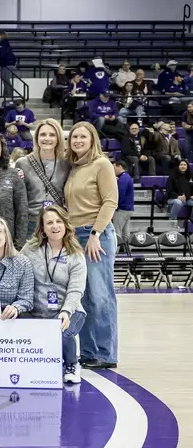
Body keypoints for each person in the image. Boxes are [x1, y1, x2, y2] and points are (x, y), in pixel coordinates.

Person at [64, 121, 118, 369]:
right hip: (74, 237)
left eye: (82, 137)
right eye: (74, 137)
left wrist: (96, 233)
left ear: (92, 139)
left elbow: (110, 202)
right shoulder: (74, 168)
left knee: (100, 296)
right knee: (82, 298)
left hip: (96, 234)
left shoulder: (102, 164)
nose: (78, 141)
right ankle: (88, 351)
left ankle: (106, 354)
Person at [20, 205, 88, 384]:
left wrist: (66, 311)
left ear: (66, 225)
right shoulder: (31, 248)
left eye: (59, 221)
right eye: (49, 222)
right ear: (42, 228)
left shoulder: (76, 254)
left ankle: (72, 365)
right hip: (37, 311)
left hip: (69, 311)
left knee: (62, 332)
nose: (55, 226)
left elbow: (76, 289)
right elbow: (17, 269)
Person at [15, 118, 70, 239]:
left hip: (57, 223)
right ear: (37, 138)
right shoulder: (22, 163)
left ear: (58, 138)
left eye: (52, 135)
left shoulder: (67, 164)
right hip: (31, 223)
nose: (47, 138)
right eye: (43, 134)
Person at [166, 159, 193, 227]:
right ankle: (172, 221)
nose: (183, 166)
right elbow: (169, 191)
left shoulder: (190, 176)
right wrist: (178, 196)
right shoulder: (172, 176)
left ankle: (191, 223)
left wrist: (191, 196)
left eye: (184, 165)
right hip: (173, 198)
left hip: (187, 199)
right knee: (178, 202)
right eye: (181, 165)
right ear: (178, 166)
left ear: (187, 166)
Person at [112, 159, 134, 241]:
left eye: (114, 168)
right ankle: (126, 250)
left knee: (117, 232)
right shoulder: (127, 177)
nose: (113, 170)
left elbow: (120, 193)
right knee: (125, 232)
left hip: (122, 209)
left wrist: (115, 206)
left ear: (119, 166)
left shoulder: (123, 179)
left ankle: (116, 252)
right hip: (129, 209)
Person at [0, 31, 17, 99]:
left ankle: (9, 96)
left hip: (6, 64)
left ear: (2, 35)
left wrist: (0, 64)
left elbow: (2, 55)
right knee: (5, 79)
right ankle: (5, 95)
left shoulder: (3, 42)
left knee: (6, 79)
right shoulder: (6, 42)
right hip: (7, 63)